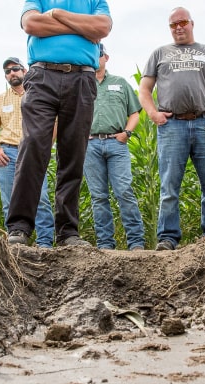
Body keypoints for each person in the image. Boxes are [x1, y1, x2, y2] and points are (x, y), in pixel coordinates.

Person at [6, 1, 112, 247]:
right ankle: (20, 227)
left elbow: (102, 28)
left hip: (83, 77)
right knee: (33, 147)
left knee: (73, 153)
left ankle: (67, 232)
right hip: (42, 76)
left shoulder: (95, 1)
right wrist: (83, 29)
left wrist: (58, 15)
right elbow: (31, 23)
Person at [138, 7, 205, 250]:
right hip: (172, 126)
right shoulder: (159, 53)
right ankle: (168, 238)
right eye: (173, 25)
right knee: (169, 184)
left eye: (182, 22)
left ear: (191, 23)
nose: (178, 27)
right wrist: (152, 113)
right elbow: (144, 89)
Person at [0, 57, 54, 248]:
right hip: (8, 154)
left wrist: (46, 145)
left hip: (33, 152)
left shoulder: (39, 94)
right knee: (10, 200)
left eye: (15, 69)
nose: (12, 73)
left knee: (40, 199)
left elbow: (53, 123)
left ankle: (45, 243)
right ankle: (17, 244)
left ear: (24, 70)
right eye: (7, 71)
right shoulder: (0, 99)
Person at [83, 44, 145, 251]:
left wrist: (126, 133)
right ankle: (105, 245)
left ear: (106, 57)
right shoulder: (82, 84)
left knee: (124, 191)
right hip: (90, 145)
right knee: (98, 196)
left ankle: (136, 242)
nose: (95, 58)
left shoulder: (120, 83)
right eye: (91, 55)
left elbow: (134, 112)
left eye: (98, 54)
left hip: (116, 144)